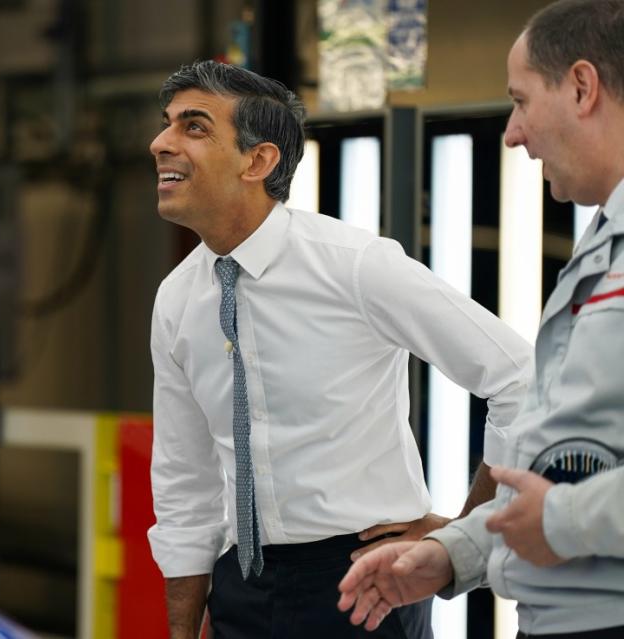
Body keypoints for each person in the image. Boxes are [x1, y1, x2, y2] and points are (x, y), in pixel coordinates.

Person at [147, 60, 533, 638]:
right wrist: (183, 628)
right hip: (240, 587)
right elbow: (185, 483)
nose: (160, 143)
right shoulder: (178, 298)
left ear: (258, 161)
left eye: (193, 127)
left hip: (365, 583)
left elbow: (519, 378)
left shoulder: (354, 265)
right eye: (168, 124)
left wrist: (463, 533)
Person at [337, 1, 624, 637]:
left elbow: (560, 508)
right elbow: (559, 469)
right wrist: (448, 556)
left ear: (582, 87)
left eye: (520, 102)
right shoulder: (600, 250)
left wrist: (565, 521)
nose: (512, 133)